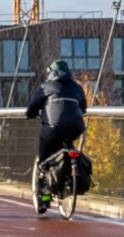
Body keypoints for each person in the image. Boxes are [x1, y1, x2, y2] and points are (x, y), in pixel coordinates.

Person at [24, 59, 91, 215]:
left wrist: (32, 114)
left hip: (52, 129)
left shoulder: (45, 87)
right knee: (69, 147)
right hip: (75, 128)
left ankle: (44, 200)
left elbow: (31, 109)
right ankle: (69, 180)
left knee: (43, 161)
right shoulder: (77, 88)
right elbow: (83, 108)